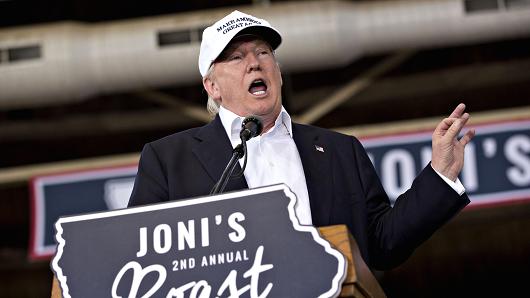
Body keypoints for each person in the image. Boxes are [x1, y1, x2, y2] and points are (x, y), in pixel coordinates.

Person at [128, 10, 475, 270]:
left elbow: (382, 244)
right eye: (236, 57)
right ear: (212, 87)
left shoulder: (340, 151)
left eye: (263, 53)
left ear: (278, 71)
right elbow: (143, 256)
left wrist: (440, 174)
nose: (254, 64)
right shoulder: (169, 160)